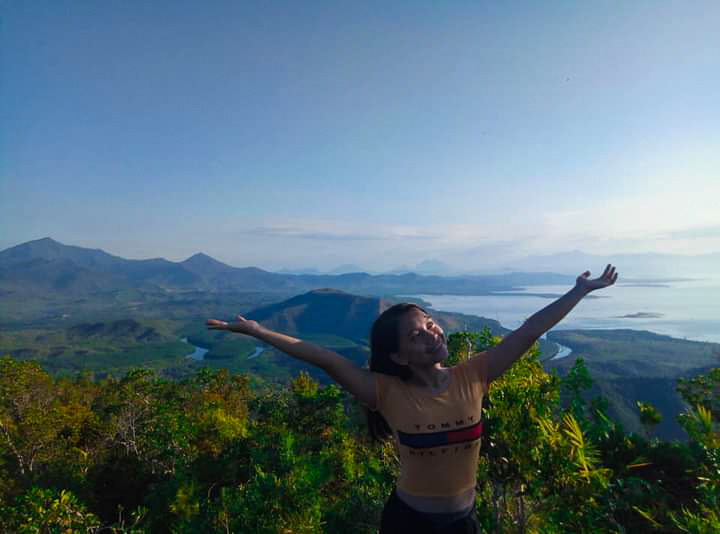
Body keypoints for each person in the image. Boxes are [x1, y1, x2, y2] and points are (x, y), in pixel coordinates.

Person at [206, 265, 618, 533]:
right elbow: (324, 358)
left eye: (431, 324)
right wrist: (258, 331)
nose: (432, 334)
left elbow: (529, 331)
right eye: (416, 335)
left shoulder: (473, 375)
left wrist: (578, 291)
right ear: (399, 356)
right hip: (409, 523)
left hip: (465, 522)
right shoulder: (385, 392)